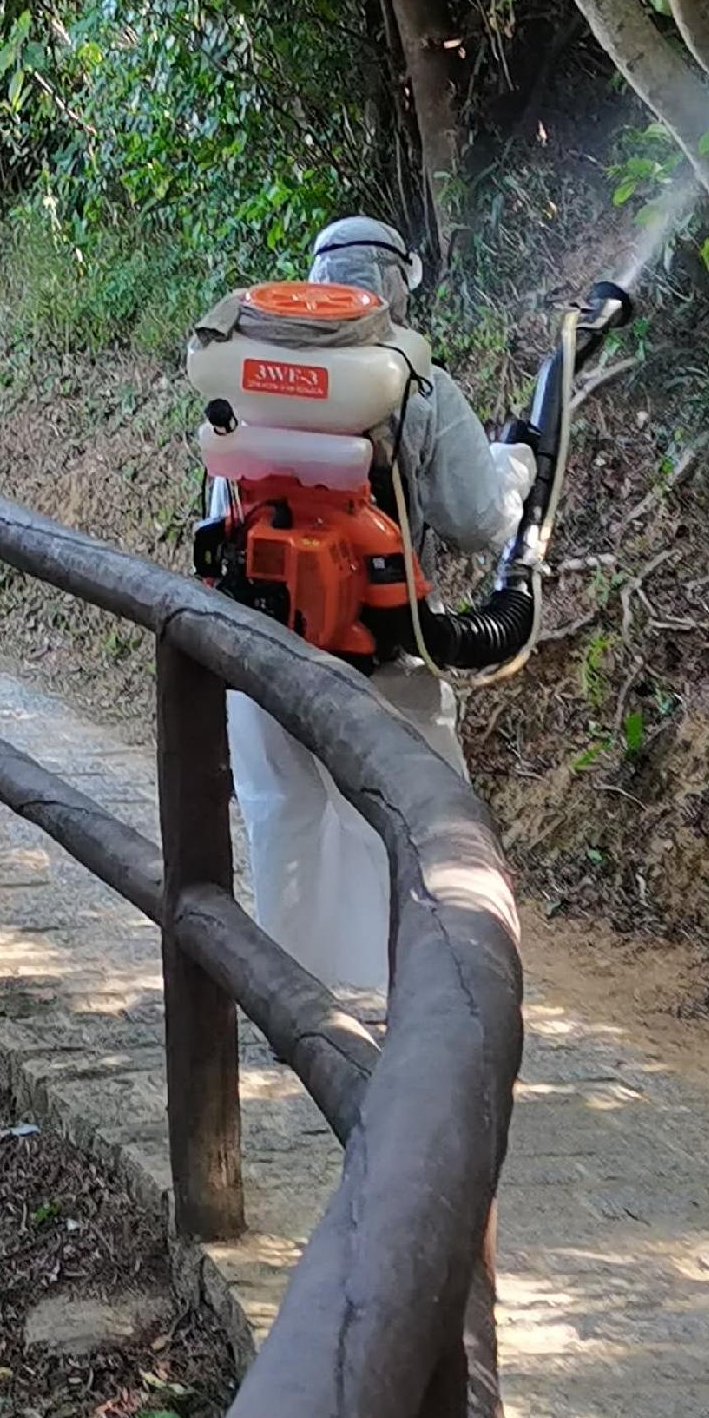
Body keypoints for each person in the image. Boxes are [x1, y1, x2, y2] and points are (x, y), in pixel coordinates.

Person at [216, 214, 530, 1002]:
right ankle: (431, 995)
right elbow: (478, 518)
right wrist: (514, 467)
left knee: (282, 813)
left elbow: (226, 501)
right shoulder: (412, 382)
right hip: (384, 650)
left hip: (264, 649)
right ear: (395, 285)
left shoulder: (252, 374)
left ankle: (298, 998)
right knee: (425, 823)